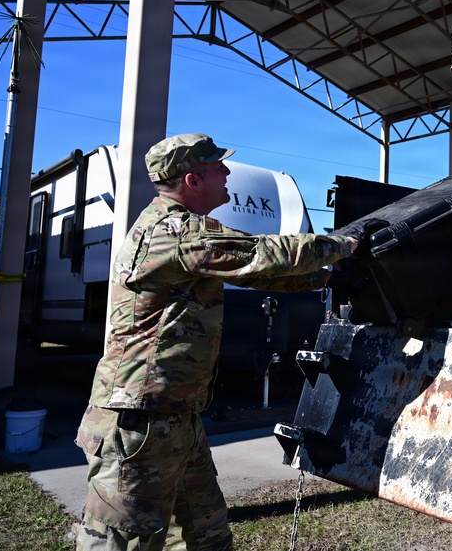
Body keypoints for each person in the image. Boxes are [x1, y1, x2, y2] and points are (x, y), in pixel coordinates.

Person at [74, 133, 364, 550]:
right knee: (120, 543)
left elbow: (253, 272)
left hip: (175, 419)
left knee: (203, 536)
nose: (227, 173)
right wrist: (344, 244)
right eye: (218, 167)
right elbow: (259, 253)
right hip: (139, 423)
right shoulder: (173, 231)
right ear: (192, 179)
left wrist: (329, 278)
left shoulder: (186, 234)